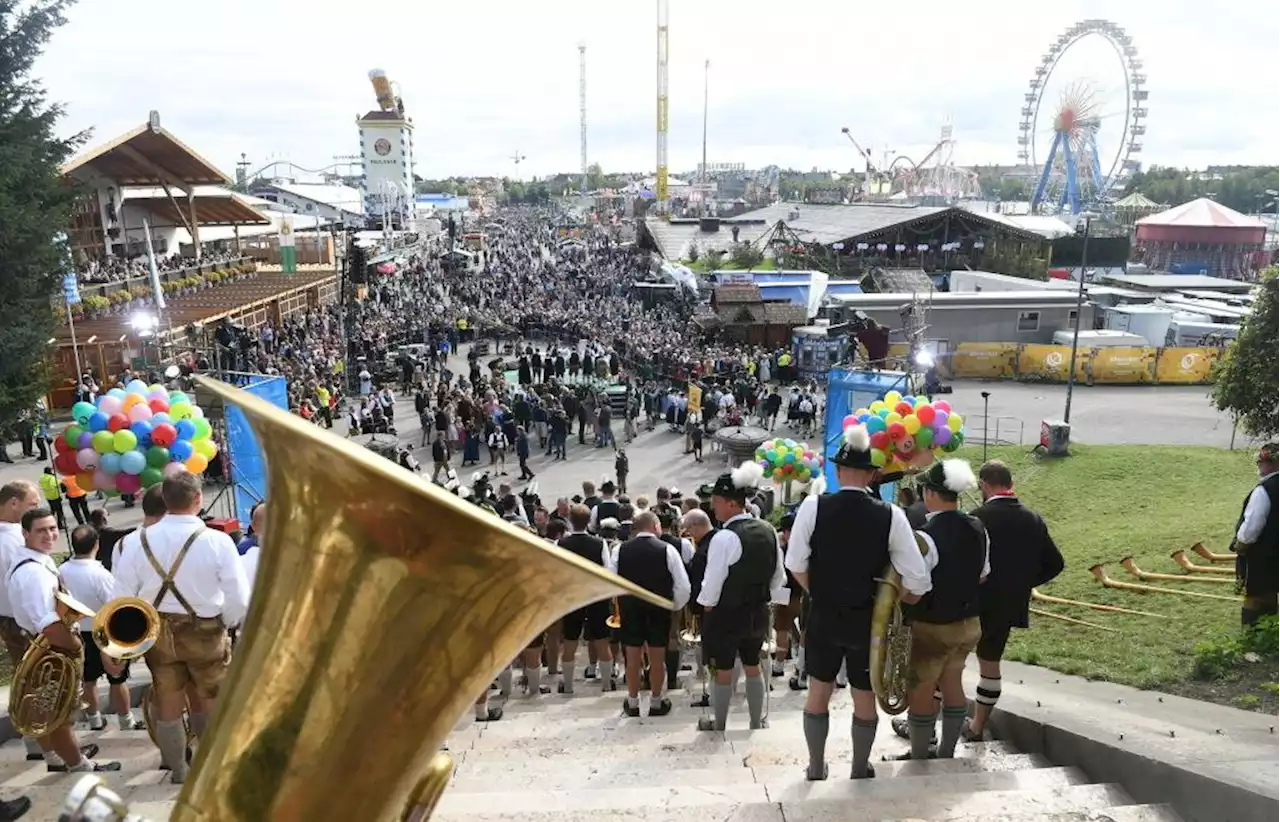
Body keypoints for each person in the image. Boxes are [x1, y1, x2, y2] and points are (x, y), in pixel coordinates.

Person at [785, 424, 931, 780]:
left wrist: (815, 591)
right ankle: (858, 768)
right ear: (872, 475)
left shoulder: (813, 506)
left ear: (837, 471)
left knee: (818, 690)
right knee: (864, 695)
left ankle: (816, 767)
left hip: (822, 614)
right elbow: (918, 579)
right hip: (869, 619)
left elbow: (794, 564)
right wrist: (899, 602)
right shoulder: (891, 514)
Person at [114, 473, 250, 784]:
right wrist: (226, 623)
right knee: (213, 697)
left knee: (168, 701)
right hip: (206, 631)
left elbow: (121, 598)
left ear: (164, 500)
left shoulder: (136, 541)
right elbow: (239, 598)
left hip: (158, 632)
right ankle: (214, 766)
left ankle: (179, 770)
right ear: (198, 499)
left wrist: (122, 646)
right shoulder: (217, 541)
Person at [9, 508, 120, 775]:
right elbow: (47, 624)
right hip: (51, 646)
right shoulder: (34, 573)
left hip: (42, 643)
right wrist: (75, 644)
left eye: (51, 528)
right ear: (25, 533)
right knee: (59, 714)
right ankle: (79, 765)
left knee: (49, 710)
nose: (49, 535)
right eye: (40, 530)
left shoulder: (35, 561)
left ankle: (58, 756)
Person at [895, 459, 988, 761]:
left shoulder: (924, 535)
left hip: (934, 625)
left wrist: (901, 601)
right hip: (970, 623)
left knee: (921, 688)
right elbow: (983, 574)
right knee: (953, 681)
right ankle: (947, 752)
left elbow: (917, 586)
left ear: (931, 493)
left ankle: (921, 754)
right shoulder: (978, 527)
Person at [695, 462, 786, 732]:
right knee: (753, 664)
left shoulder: (724, 537)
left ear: (732, 504)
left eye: (716, 502)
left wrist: (705, 606)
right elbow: (778, 576)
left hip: (726, 614)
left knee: (723, 669)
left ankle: (720, 723)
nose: (713, 508)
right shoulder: (768, 531)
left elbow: (713, 582)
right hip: (757, 611)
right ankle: (756, 721)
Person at [59, 525, 143, 732]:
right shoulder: (100, 575)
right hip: (102, 633)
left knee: (88, 680)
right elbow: (113, 607)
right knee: (117, 679)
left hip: (76, 634)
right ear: (96, 544)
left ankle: (95, 719)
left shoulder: (60, 571)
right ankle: (126, 721)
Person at [608, 511, 690, 717]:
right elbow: (683, 586)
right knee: (657, 657)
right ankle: (656, 701)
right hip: (658, 609)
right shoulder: (668, 549)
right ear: (655, 526)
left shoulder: (620, 550)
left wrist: (621, 602)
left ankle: (633, 701)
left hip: (631, 609)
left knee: (632, 657)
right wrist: (674, 606)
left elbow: (610, 580)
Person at [1233, 442, 1280, 627]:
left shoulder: (1264, 490)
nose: (1259, 465)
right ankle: (1271, 635)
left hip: (1262, 556)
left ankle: (1252, 642)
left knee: (1254, 596)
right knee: (1271, 593)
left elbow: (1251, 528)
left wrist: (1241, 545)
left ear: (1273, 463)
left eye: (1262, 461)